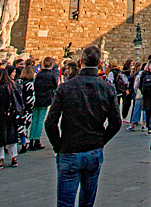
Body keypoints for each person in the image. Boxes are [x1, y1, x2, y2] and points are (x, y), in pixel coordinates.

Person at [45, 45, 122, 207]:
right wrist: (101, 141)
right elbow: (116, 123)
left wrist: (59, 146)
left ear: (80, 62)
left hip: (69, 149)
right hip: (94, 149)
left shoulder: (65, 87)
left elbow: (50, 123)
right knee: (87, 203)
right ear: (100, 63)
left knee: (65, 203)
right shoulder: (108, 88)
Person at [30, 56, 58, 150]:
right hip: (45, 99)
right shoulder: (52, 75)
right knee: (40, 120)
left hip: (36, 98)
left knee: (34, 120)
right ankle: (37, 140)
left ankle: (31, 139)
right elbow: (56, 86)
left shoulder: (39, 74)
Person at [17, 64, 35, 152]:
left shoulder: (19, 82)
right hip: (26, 109)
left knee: (20, 125)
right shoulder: (30, 84)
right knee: (25, 126)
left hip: (18, 107)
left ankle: (21, 142)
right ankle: (24, 143)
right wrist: (31, 107)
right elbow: (30, 98)